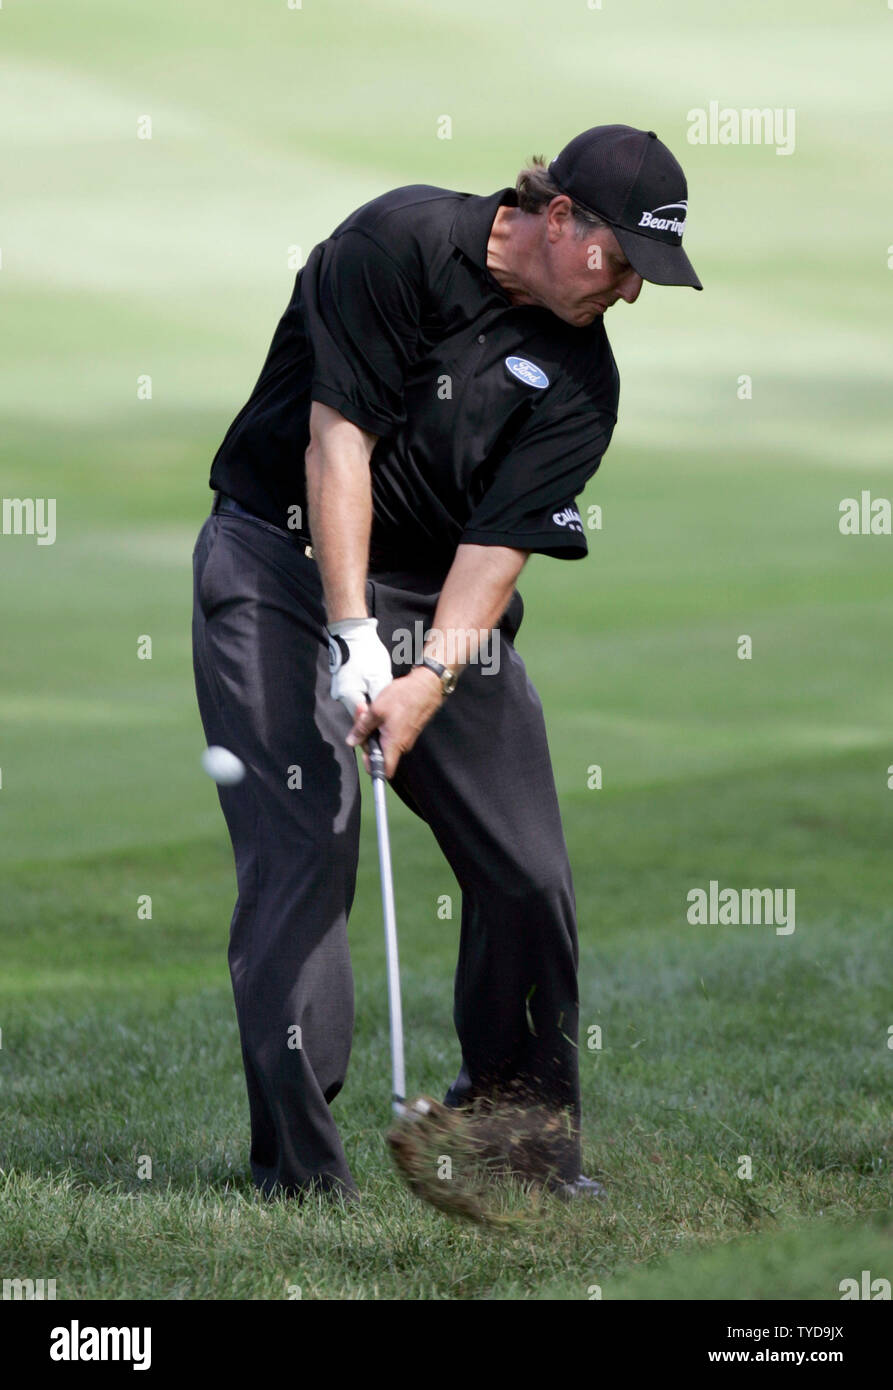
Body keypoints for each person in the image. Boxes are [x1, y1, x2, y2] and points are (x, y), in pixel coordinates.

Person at [192, 124, 702, 1202]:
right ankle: (302, 1175)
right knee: (307, 854)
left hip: (436, 599)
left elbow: (495, 552)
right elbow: (338, 443)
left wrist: (421, 681)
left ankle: (516, 1130)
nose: (627, 294)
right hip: (280, 568)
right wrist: (348, 634)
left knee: (525, 867)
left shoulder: (582, 378)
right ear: (558, 217)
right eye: (621, 262)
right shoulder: (396, 242)